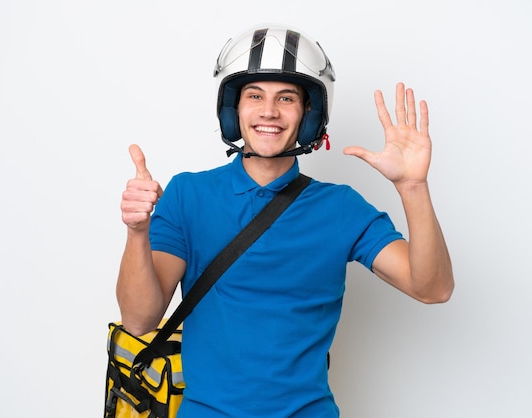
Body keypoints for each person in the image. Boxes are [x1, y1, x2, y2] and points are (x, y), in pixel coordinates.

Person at [116, 24, 454, 417]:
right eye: (254, 95)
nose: (269, 111)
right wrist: (137, 232)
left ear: (309, 113)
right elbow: (139, 320)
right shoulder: (188, 195)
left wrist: (413, 187)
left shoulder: (341, 207)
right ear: (233, 110)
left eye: (286, 98)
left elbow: (433, 288)